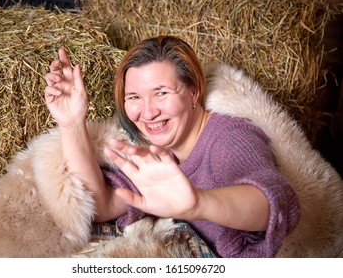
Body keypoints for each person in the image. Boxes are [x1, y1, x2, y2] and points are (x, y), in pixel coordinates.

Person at [44, 35, 300, 257]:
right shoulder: (157, 150)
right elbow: (104, 206)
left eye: (162, 93)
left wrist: (197, 203)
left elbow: (276, 204)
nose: (148, 112)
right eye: (134, 97)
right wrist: (71, 123)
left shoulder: (229, 140)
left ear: (194, 92)